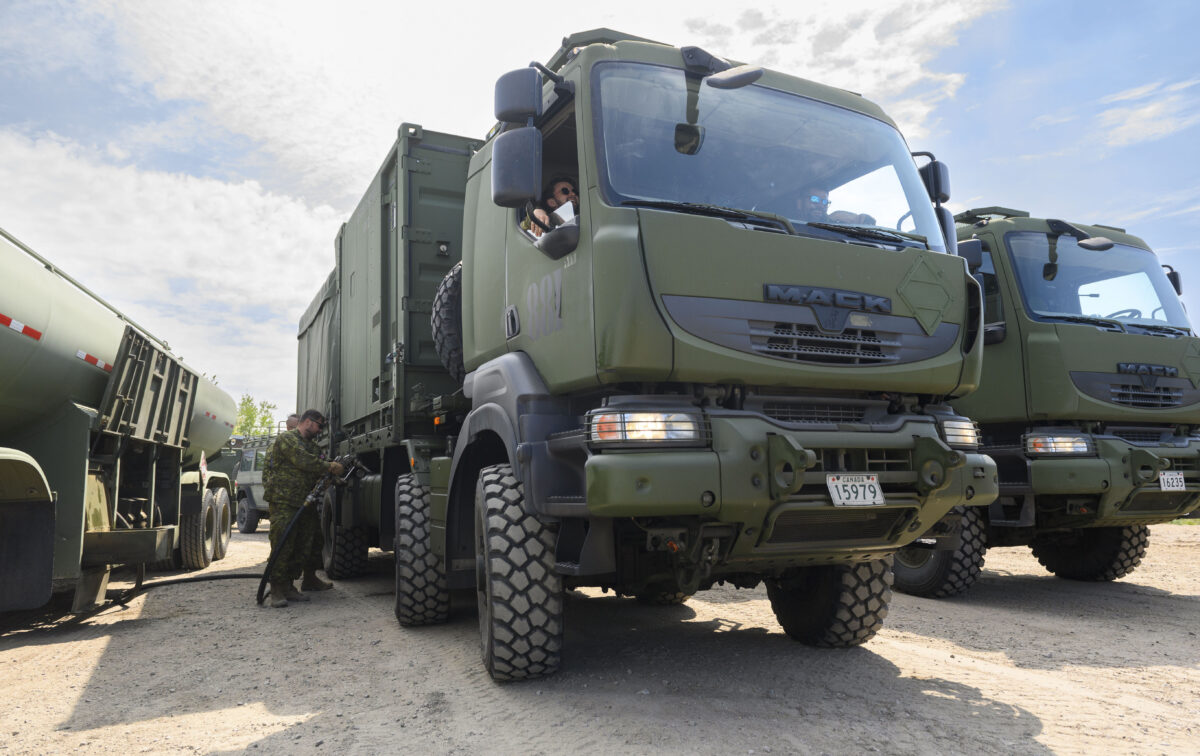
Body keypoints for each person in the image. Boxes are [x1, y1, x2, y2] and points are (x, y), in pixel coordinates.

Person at [261, 409, 344, 608]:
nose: (320, 430)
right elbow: (304, 460)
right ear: (308, 422)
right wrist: (329, 467)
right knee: (283, 543)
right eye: (319, 426)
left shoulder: (312, 447)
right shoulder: (287, 439)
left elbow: (319, 467)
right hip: (284, 502)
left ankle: (296, 583)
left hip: (304, 503)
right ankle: (277, 590)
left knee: (309, 541)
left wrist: (335, 476)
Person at [797, 186, 875, 226]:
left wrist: (863, 219)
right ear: (799, 203)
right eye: (814, 199)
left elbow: (863, 220)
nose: (821, 205)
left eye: (824, 202)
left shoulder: (833, 222)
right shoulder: (787, 226)